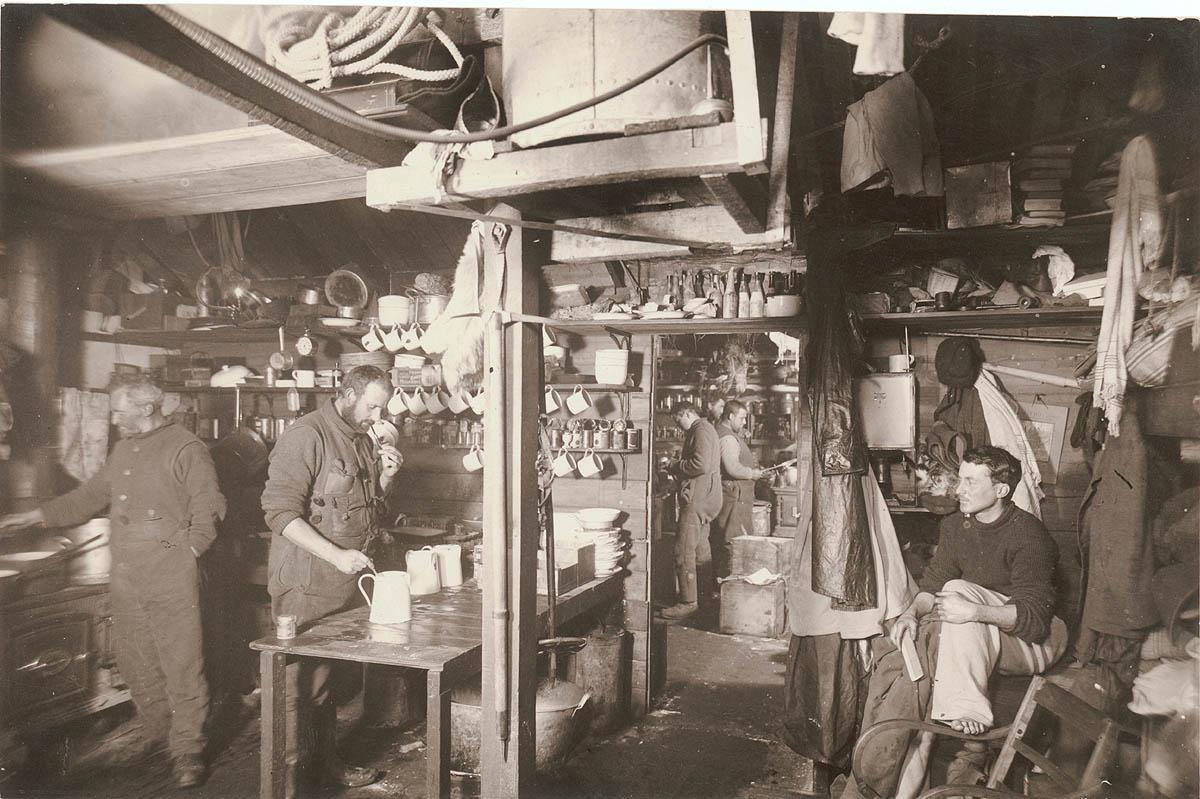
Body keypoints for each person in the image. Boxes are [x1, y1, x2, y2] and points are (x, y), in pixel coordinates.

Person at [0, 374, 225, 788]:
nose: (115, 417)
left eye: (120, 409)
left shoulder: (185, 447)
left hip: (171, 573)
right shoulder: (123, 448)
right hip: (126, 576)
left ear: (146, 407)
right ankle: (162, 736)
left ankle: (188, 751)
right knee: (135, 664)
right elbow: (89, 496)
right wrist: (35, 516)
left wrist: (189, 551)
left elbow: (209, 505)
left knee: (181, 664)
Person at [845, 445, 1067, 798]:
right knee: (913, 650)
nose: (958, 489)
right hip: (977, 635)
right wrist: (910, 614)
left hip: (1034, 641)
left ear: (1001, 490)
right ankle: (889, 783)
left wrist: (973, 611)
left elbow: (1035, 620)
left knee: (958, 591)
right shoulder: (954, 526)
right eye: (959, 480)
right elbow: (931, 586)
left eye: (969, 481)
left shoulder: (1029, 535)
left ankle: (966, 710)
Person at [259, 365, 402, 795]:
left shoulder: (361, 438)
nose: (378, 416)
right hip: (305, 584)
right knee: (295, 688)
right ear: (346, 393)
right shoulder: (307, 436)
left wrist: (387, 478)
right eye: (372, 405)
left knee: (325, 688)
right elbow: (279, 513)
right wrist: (336, 555)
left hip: (341, 586)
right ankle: (288, 783)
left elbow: (363, 506)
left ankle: (326, 765)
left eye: (383, 407)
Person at [659, 402, 722, 621]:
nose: (679, 426)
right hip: (708, 497)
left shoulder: (700, 429)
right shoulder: (707, 428)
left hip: (698, 498)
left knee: (683, 550)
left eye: (678, 420)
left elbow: (700, 464)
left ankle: (688, 602)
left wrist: (675, 466)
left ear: (686, 413)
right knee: (700, 549)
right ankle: (704, 598)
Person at [711, 400, 765, 578]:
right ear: (731, 416)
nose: (744, 422)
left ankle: (726, 586)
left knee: (729, 540)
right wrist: (752, 473)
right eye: (742, 418)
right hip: (735, 497)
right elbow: (732, 468)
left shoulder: (724, 432)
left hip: (733, 495)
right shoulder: (727, 438)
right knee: (734, 542)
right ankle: (730, 587)